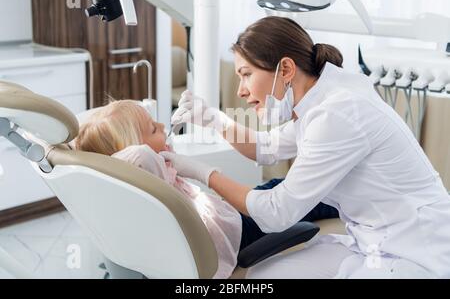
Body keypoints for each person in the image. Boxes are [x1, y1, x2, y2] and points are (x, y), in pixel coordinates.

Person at [162, 16, 450, 278]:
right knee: (260, 276)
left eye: (246, 74)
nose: (241, 90)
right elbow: (266, 146)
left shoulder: (337, 112)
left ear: (285, 68)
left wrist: (202, 172)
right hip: (370, 241)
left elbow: (276, 213)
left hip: (415, 251)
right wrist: (213, 118)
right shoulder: (320, 101)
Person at [74, 99, 338, 278]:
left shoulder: (134, 187)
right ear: (132, 147)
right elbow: (138, 155)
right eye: (154, 128)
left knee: (273, 186)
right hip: (237, 232)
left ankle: (334, 191)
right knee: (302, 197)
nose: (164, 127)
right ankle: (338, 197)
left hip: (226, 215)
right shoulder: (144, 169)